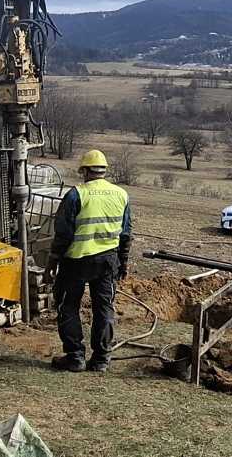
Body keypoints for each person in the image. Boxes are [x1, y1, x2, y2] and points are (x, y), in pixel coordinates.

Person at [48, 149, 132, 372]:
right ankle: (101, 359)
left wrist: (52, 263)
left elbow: (63, 234)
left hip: (76, 261)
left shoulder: (77, 194)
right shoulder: (121, 194)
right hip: (108, 261)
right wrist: (123, 263)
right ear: (104, 171)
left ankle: (75, 357)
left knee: (68, 306)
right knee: (104, 308)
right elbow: (126, 233)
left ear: (85, 171)